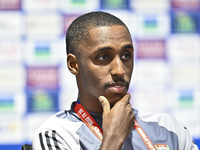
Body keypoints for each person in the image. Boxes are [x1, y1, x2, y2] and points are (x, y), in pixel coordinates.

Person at [32, 11, 199, 150]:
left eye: (126, 56)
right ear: (74, 64)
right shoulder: (56, 134)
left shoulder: (170, 127)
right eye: (104, 57)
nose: (120, 70)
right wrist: (112, 139)